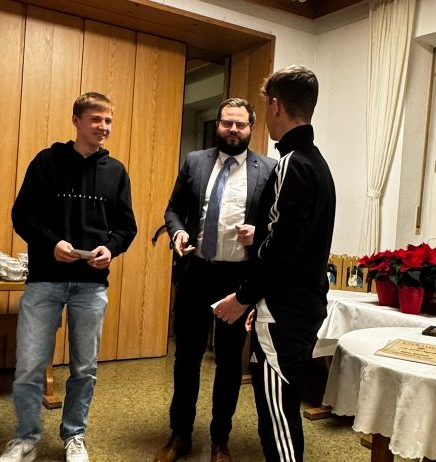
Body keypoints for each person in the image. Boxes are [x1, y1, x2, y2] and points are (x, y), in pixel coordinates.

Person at [0, 92, 137, 462]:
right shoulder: (46, 162)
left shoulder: (116, 171)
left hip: (91, 287)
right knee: (29, 365)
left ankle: (74, 435)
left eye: (108, 121)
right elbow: (22, 215)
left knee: (84, 368)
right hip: (45, 280)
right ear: (76, 121)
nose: (103, 127)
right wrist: (52, 243)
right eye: (96, 119)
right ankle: (25, 437)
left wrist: (110, 248)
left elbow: (127, 227)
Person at [214, 66, 336, 461]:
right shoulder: (318, 163)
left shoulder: (291, 163)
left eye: (266, 106)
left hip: (285, 312)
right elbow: (295, 241)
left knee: (278, 421)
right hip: (300, 305)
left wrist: (244, 298)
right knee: (282, 412)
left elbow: (281, 250)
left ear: (276, 106)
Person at [155, 98, 276, 462]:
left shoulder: (268, 169)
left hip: (237, 280)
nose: (233, 130)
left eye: (240, 124)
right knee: (186, 359)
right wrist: (178, 232)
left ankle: (220, 440)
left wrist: (260, 233)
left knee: (228, 363)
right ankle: (180, 435)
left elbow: (278, 224)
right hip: (197, 272)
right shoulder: (195, 161)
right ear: (219, 125)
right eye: (227, 123)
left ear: (251, 127)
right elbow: (173, 210)